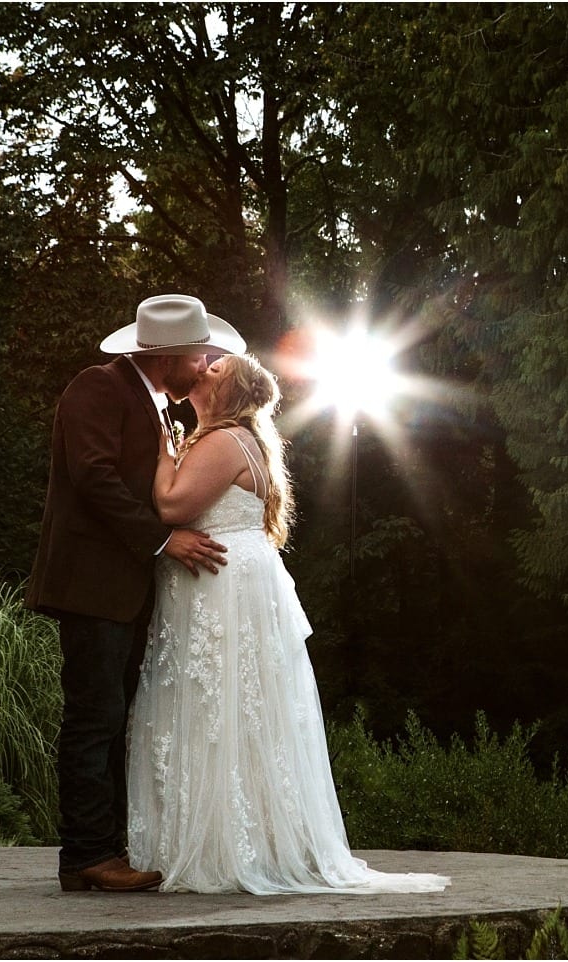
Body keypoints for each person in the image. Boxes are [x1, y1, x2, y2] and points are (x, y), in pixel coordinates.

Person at [127, 353, 449, 895]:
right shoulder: (236, 439)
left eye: (214, 369)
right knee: (228, 710)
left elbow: (171, 504)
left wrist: (162, 449)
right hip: (231, 584)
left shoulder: (225, 441)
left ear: (226, 393)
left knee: (220, 708)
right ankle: (235, 840)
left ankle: (227, 849)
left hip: (221, 590)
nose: (202, 367)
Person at [27, 294, 245, 893]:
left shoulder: (152, 403)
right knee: (93, 719)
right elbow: (92, 475)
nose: (206, 365)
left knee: (112, 718)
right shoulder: (97, 387)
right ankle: (85, 857)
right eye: (199, 355)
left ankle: (108, 848)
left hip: (122, 591)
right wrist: (162, 540)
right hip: (91, 586)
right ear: (167, 355)